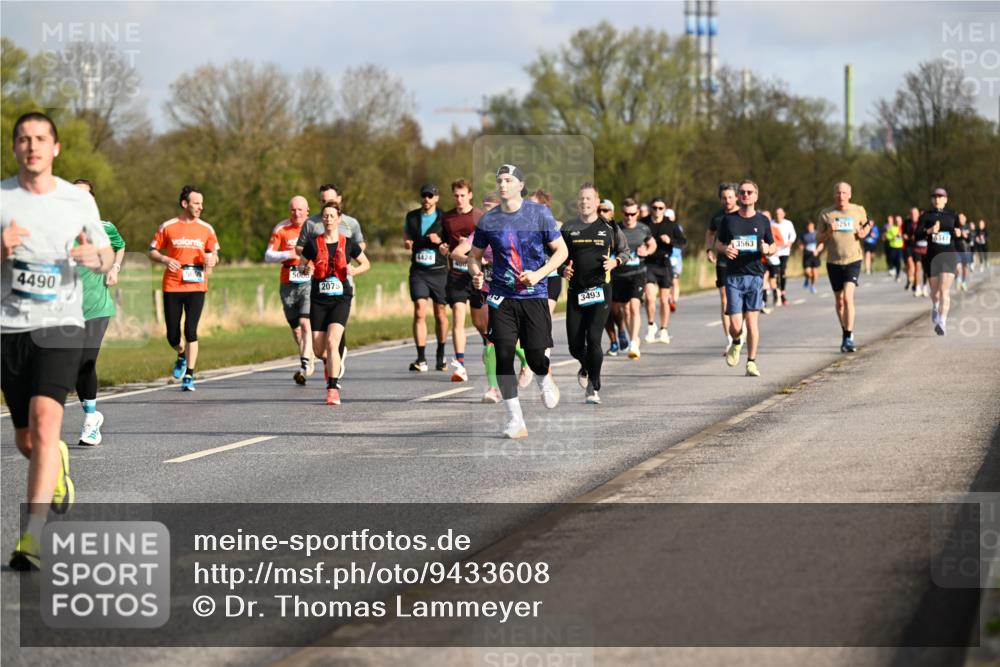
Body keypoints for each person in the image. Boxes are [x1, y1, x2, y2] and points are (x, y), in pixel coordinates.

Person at [3, 112, 113, 570]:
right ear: (15, 148)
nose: (33, 146)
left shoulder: (76, 201)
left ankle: (32, 537)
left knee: (46, 424)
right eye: (24, 139)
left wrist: (98, 256)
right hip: (9, 328)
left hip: (61, 325)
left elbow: (106, 254)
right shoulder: (1, 199)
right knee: (27, 440)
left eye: (41, 138)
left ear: (56, 148)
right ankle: (58, 463)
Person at [469, 164, 567, 439]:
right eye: (499, 180)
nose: (502, 184)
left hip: (534, 295)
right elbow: (474, 257)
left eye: (508, 180)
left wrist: (538, 274)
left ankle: (544, 376)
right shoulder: (488, 220)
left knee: (536, 356)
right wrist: (476, 274)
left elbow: (561, 252)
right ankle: (516, 420)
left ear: (520, 185)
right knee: (502, 353)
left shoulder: (539, 214)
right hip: (501, 295)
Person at [562, 184, 630, 404]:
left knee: (593, 338)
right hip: (575, 292)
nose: (584, 202)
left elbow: (624, 251)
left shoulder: (609, 227)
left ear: (597, 201)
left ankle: (594, 385)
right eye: (581, 199)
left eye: (589, 199)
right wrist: (562, 268)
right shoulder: (568, 228)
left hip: (600, 290)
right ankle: (586, 365)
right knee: (574, 345)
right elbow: (555, 254)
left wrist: (615, 261)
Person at [297, 201, 371, 404]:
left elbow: (366, 263)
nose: (328, 219)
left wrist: (355, 270)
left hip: (341, 298)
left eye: (332, 215)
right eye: (325, 216)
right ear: (322, 219)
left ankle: (332, 389)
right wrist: (306, 270)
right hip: (319, 300)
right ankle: (331, 363)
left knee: (332, 342)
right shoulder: (313, 243)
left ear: (339, 218)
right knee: (319, 350)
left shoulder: (348, 243)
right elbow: (300, 265)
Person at [71, 179, 126, 446]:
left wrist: (115, 268)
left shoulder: (105, 228)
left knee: (86, 361)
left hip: (96, 307)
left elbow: (120, 245)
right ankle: (91, 414)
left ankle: (91, 421)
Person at [149, 186, 220, 390]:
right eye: (196, 203)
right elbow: (152, 250)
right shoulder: (168, 226)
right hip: (172, 284)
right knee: (172, 334)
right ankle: (181, 354)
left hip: (197, 284)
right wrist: (165, 259)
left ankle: (189, 374)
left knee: (190, 329)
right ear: (185, 204)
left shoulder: (207, 228)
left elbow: (214, 253)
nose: (200, 207)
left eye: (201, 204)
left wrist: (212, 260)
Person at [714, 179, 775, 377]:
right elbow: (718, 244)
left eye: (749, 192)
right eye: (742, 192)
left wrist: (768, 248)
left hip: (755, 275)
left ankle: (751, 362)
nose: (746, 195)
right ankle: (737, 342)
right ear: (739, 196)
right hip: (733, 276)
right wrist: (726, 249)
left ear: (756, 196)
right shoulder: (729, 220)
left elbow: (772, 245)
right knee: (735, 325)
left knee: (752, 323)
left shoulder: (763, 220)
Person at [815, 182, 872, 353]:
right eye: (838, 193)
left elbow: (868, 224)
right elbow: (818, 239)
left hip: (853, 259)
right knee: (839, 302)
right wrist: (828, 232)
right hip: (833, 261)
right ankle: (845, 332)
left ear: (850, 194)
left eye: (844, 193)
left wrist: (864, 232)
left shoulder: (858, 210)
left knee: (848, 297)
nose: (841, 196)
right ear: (834, 195)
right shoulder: (826, 214)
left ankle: (848, 336)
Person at [266, 196, 314, 385]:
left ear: (307, 210)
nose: (297, 213)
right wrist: (289, 254)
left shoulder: (313, 228)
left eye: (300, 210)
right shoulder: (281, 229)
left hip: (308, 280)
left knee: (305, 322)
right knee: (296, 331)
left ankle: (304, 364)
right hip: (288, 281)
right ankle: (307, 353)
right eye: (293, 210)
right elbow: (268, 255)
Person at [440, 179, 483, 382]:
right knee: (458, 316)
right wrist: (443, 248)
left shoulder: (479, 217)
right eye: (456, 195)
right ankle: (461, 366)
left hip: (478, 277)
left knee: (480, 323)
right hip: (456, 275)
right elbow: (444, 242)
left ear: (470, 195)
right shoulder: (447, 218)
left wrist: (473, 259)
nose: (459, 199)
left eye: (463, 195)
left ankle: (489, 344)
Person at [404, 184, 449, 372]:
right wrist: (407, 242)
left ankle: (441, 354)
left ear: (437, 198)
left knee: (440, 313)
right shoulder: (412, 217)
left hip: (439, 271)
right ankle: (421, 358)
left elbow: (449, 245)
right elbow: (407, 236)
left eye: (431, 196)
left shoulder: (444, 218)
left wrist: (440, 242)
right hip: (419, 271)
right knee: (420, 311)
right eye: (424, 195)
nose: (427, 199)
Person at [612, 198, 655, 360]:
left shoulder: (644, 228)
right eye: (626, 214)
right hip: (619, 274)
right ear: (622, 213)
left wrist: (648, 251)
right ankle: (633, 338)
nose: (629, 217)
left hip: (638, 273)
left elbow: (653, 244)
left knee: (634, 306)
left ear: (637, 213)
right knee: (625, 309)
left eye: (633, 214)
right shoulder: (615, 228)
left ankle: (633, 343)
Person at [919, 188, 959, 335]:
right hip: (932, 257)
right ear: (932, 200)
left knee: (944, 290)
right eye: (935, 197)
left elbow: (959, 234)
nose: (937, 199)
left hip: (948, 256)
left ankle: (942, 321)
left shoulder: (953, 215)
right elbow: (917, 235)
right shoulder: (926, 216)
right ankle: (935, 305)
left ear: (946, 199)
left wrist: (959, 234)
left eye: (940, 197)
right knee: (935, 293)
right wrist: (930, 231)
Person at [706, 183, 739, 352]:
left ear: (737, 197)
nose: (727, 200)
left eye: (730, 197)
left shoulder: (743, 214)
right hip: (723, 260)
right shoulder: (717, 217)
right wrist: (709, 249)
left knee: (741, 299)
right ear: (720, 199)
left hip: (742, 262)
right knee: (725, 300)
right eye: (724, 198)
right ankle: (729, 340)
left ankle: (741, 328)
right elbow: (710, 233)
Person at [642, 198, 674, 344]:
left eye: (661, 208)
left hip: (664, 264)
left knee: (664, 299)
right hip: (648, 264)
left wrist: (670, 240)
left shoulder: (670, 224)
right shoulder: (643, 223)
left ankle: (664, 329)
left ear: (664, 209)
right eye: (655, 208)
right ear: (651, 208)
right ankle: (650, 326)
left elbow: (683, 241)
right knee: (649, 297)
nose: (657, 211)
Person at [663, 208, 687, 311]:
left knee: (675, 280)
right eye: (666, 217)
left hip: (676, 257)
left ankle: (674, 301)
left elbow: (682, 242)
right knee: (667, 279)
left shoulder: (678, 228)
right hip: (665, 256)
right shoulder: (662, 227)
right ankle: (669, 298)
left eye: (670, 217)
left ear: (674, 218)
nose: (668, 219)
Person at [773, 207, 796, 305]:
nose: (778, 215)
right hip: (774, 252)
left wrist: (790, 242)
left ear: (783, 214)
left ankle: (782, 292)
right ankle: (776, 292)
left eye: (780, 213)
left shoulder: (788, 223)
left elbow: (793, 235)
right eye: (776, 213)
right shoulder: (771, 223)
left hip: (785, 251)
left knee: (782, 271)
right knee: (774, 273)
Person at [902, 207, 926, 297]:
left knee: (917, 267)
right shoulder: (906, 222)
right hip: (909, 246)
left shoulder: (921, 222)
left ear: (918, 214)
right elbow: (903, 232)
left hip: (918, 246)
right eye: (912, 214)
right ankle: (911, 279)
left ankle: (916, 284)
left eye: (915, 214)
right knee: (912, 265)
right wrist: (905, 236)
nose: (913, 215)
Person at [799, 221, 820, 294]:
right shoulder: (803, 234)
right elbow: (800, 242)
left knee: (815, 273)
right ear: (807, 227)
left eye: (811, 226)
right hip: (807, 254)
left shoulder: (817, 233)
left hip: (815, 255)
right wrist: (801, 246)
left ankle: (813, 286)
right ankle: (807, 278)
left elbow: (821, 243)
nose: (810, 228)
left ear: (813, 226)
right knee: (808, 272)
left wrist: (817, 250)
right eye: (808, 226)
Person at [955, 212, 974, 291]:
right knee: (958, 267)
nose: (961, 220)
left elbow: (970, 239)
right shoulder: (956, 227)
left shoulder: (968, 227)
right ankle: (958, 278)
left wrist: (965, 235)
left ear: (965, 219)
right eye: (959, 218)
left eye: (962, 218)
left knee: (965, 267)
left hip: (966, 250)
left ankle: (963, 281)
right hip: (956, 249)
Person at [885, 215, 903, 281]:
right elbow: (887, 236)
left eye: (899, 221)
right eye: (897, 221)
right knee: (892, 259)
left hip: (900, 247)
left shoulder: (903, 228)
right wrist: (892, 237)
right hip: (893, 247)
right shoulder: (892, 228)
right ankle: (893, 268)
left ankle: (898, 275)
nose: (898, 222)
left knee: (898, 261)